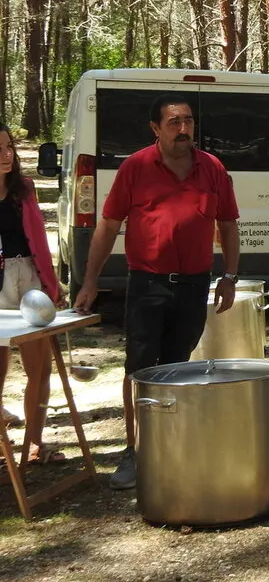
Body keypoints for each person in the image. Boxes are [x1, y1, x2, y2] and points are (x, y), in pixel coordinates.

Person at [74, 94, 240, 490]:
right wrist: (91, 280)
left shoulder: (212, 168)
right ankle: (134, 452)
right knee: (140, 370)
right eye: (173, 123)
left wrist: (230, 276)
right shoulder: (135, 167)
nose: (183, 130)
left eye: (188, 121)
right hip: (148, 284)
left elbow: (229, 224)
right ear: (155, 128)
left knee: (177, 368)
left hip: (194, 285)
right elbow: (108, 225)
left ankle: (171, 448)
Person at [0, 125, 66, 471]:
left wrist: (51, 285)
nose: (7, 154)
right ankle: (4, 448)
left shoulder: (23, 189)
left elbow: (39, 239)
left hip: (28, 277)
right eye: (0, 148)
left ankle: (34, 444)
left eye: (9, 146)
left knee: (39, 369)